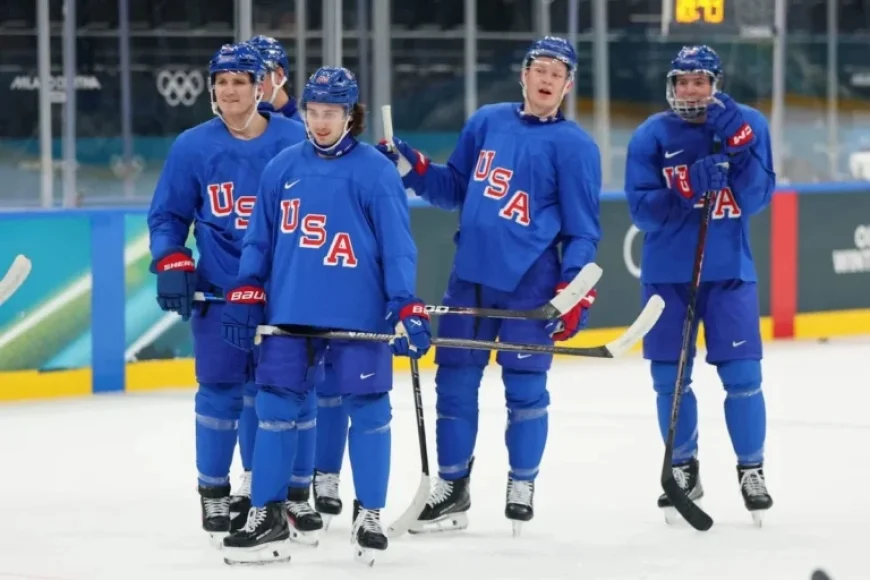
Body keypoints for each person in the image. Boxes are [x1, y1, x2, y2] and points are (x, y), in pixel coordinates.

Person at [374, 36, 601, 536]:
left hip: (531, 285)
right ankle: (453, 488)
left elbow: (583, 230)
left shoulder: (575, 146)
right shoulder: (486, 122)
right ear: (524, 75)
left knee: (525, 390)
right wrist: (413, 167)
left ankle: (523, 481)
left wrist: (574, 286)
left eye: (556, 73)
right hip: (470, 278)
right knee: (454, 384)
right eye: (539, 68)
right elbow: (455, 187)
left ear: (567, 85)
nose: (546, 79)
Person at [219, 66, 430, 566]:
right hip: (291, 311)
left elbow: (398, 246)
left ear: (350, 115)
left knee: (370, 411)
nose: (319, 122)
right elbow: (260, 238)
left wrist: (404, 302)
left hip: (358, 314)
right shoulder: (282, 166)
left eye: (330, 113)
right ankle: (268, 513)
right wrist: (249, 286)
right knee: (274, 410)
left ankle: (369, 514)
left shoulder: (376, 172)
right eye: (312, 112)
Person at [146, 41, 307, 545]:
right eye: (221, 82)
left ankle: (270, 492)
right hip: (219, 292)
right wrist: (171, 257)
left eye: (240, 81)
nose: (229, 90)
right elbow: (168, 216)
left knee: (278, 395)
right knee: (218, 392)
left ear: (262, 86)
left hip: (283, 293)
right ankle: (212, 492)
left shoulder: (296, 140)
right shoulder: (193, 145)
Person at [623, 45, 775, 526]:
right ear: (672, 85)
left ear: (716, 84)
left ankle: (752, 469)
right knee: (669, 382)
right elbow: (641, 210)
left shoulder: (747, 122)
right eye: (683, 81)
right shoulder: (650, 134)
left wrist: (741, 146)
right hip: (668, 277)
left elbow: (755, 199)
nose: (691, 90)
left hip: (729, 272)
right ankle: (684, 466)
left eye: (700, 81)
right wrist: (687, 184)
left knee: (743, 379)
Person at [227, 34, 325, 544]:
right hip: (248, 280)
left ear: (280, 76)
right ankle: (256, 481)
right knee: (251, 392)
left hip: (296, 283)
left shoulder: (302, 132)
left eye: (264, 73)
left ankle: (300, 490)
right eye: (249, 75)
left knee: (300, 391)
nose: (255, 83)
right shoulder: (224, 132)